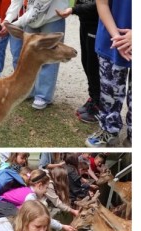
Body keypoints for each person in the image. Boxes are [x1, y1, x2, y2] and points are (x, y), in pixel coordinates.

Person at [5, 0, 69, 110]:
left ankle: (43, 96)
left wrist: (13, 25)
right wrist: (7, 20)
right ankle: (28, 91)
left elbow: (40, 4)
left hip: (52, 17)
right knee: (29, 56)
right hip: (31, 19)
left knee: (49, 55)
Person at [85, 0, 132, 147]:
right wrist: (118, 39)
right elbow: (102, 3)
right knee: (109, 92)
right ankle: (109, 130)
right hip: (112, 40)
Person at [56, 1, 100, 123]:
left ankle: (99, 104)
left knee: (93, 64)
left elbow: (101, 5)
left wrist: (73, 10)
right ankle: (94, 97)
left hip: (97, 23)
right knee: (85, 61)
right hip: (85, 21)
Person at [0, 0, 23, 77]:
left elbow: (16, 6)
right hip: (4, 21)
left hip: (17, 23)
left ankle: (19, 76)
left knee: (16, 51)